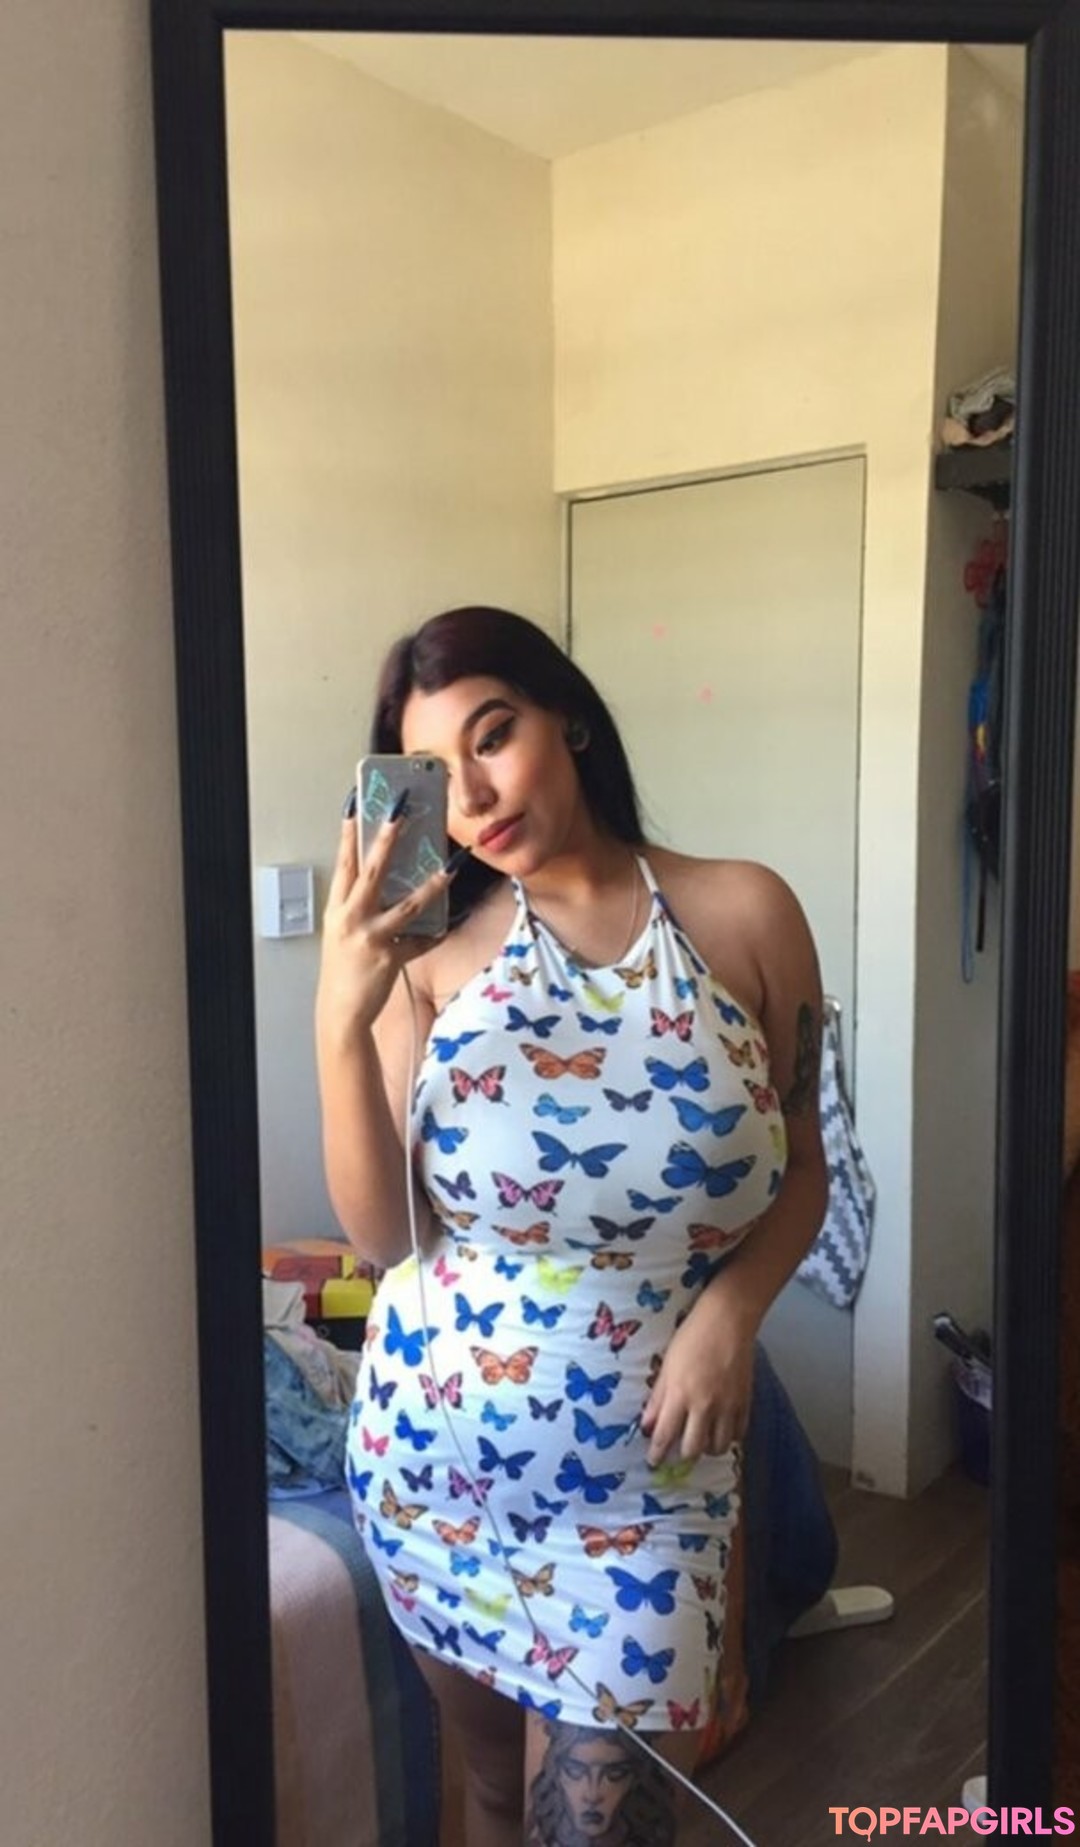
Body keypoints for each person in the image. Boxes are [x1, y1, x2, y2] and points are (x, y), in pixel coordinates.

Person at [316, 606, 828, 1846]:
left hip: (649, 1488)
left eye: (495, 735)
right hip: (434, 1463)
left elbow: (807, 1167)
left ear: (572, 721)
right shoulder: (429, 955)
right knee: (493, 1793)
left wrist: (732, 1309)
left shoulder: (746, 912)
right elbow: (386, 1237)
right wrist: (341, 1015)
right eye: (434, 771)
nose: (474, 794)